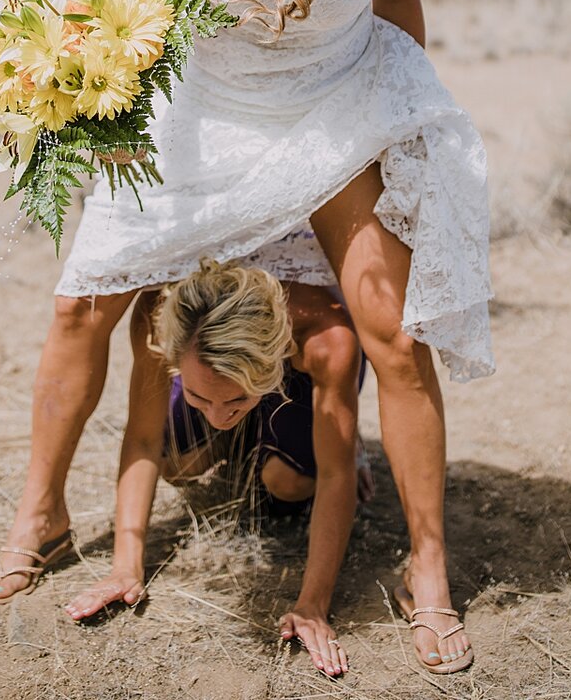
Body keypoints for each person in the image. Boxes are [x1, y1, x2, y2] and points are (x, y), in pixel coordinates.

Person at [0, 0, 493, 676]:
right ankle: (42, 517)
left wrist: (408, 134)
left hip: (333, 107)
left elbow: (398, 10)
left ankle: (427, 566)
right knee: (80, 305)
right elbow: (146, 19)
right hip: (203, 106)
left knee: (394, 335)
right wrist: (112, 116)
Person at [62, 259, 371, 679]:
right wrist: (125, 566)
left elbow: (337, 477)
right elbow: (143, 440)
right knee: (178, 464)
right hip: (222, 367)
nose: (217, 415)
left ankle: (334, 438)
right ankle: (238, 422)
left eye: (235, 402)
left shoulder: (327, 340)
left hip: (297, 375)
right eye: (200, 397)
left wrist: (313, 605)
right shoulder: (163, 323)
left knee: (288, 482)